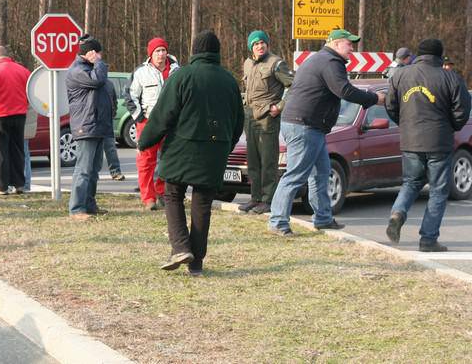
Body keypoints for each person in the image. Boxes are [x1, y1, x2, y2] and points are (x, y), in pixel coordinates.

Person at [138, 31, 243, 277]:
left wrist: (146, 140)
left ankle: (180, 247)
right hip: (214, 150)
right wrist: (225, 146)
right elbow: (238, 121)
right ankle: (196, 263)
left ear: (195, 51)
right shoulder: (229, 81)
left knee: (173, 194)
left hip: (180, 149)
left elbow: (163, 115)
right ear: (217, 52)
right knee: (203, 203)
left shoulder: (182, 76)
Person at [268, 29, 383, 236]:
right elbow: (344, 91)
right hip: (304, 126)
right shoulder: (331, 62)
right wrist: (375, 99)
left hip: (309, 126)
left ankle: (322, 218)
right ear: (338, 44)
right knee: (295, 175)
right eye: (349, 44)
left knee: (321, 172)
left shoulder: (320, 59)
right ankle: (277, 221)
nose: (352, 49)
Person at [385, 39, 471, 252]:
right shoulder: (450, 77)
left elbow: (390, 105)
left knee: (410, 183)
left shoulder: (400, 75)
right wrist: (449, 126)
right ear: (439, 55)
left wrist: (405, 124)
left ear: (418, 54)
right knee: (438, 191)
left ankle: (397, 213)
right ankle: (428, 240)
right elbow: (463, 109)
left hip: (410, 140)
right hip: (439, 142)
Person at [238, 30, 294, 215]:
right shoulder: (247, 64)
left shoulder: (276, 63)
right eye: (255, 44)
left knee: (268, 160)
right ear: (251, 47)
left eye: (262, 43)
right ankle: (255, 198)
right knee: (253, 161)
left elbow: (293, 86)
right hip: (250, 117)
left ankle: (268, 200)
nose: (260, 46)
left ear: (267, 45)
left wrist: (280, 106)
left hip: (268, 119)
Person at [126, 37, 180, 210]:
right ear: (151, 54)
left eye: (163, 50)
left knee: (169, 160)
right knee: (146, 161)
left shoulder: (177, 71)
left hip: (171, 123)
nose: (161, 54)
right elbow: (130, 97)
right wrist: (140, 118)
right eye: (157, 51)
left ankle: (162, 192)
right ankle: (148, 198)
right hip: (148, 122)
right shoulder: (141, 72)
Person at [66, 34, 111, 220]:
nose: (101, 57)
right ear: (92, 53)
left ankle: (89, 205)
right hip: (86, 126)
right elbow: (98, 80)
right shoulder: (78, 71)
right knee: (83, 169)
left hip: (98, 125)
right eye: (98, 54)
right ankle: (76, 209)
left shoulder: (90, 69)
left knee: (93, 169)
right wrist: (99, 63)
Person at [0, 45, 31, 194]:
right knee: (17, 150)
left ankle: (0, 186)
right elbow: (31, 92)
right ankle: (19, 184)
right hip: (19, 115)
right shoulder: (24, 71)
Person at [102, 78, 125, 181]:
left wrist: (112, 113)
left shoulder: (109, 84)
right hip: (92, 122)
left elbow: (114, 101)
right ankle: (90, 173)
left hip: (107, 121)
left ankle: (116, 172)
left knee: (110, 148)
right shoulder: (88, 81)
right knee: (92, 150)